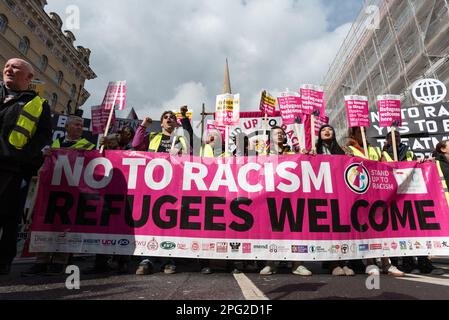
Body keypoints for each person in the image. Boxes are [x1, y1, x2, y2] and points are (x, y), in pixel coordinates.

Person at [21, 116, 96, 276]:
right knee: (46, 225)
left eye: (81, 125)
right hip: (51, 192)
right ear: (67, 127)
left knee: (66, 226)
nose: (79, 128)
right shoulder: (54, 145)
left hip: (72, 193)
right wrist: (46, 155)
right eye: (76, 124)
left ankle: (59, 261)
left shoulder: (88, 146)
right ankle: (41, 261)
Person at [0, 58, 52, 275]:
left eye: (16, 68)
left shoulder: (39, 104)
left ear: (29, 77)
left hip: (11, 169)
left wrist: (22, 159)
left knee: (8, 217)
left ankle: (3, 262)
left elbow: (42, 137)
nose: (8, 69)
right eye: (6, 66)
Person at [132, 106, 192, 275]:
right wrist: (143, 125)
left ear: (176, 122)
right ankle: (147, 259)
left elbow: (190, 144)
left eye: (172, 117)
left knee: (169, 221)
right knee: (150, 221)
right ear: (162, 123)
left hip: (173, 186)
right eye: (165, 117)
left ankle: (168, 259)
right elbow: (136, 145)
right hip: (152, 186)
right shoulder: (153, 136)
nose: (169, 118)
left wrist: (179, 154)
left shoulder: (181, 139)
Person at [346, 128, 404, 277]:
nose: (363, 134)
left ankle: (386, 263)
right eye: (359, 132)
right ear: (353, 135)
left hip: (378, 192)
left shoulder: (377, 150)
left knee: (381, 226)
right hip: (359, 192)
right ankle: (370, 262)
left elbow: (393, 165)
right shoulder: (348, 149)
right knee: (365, 226)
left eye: (364, 132)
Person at [259, 126, 312, 276]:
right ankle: (270, 264)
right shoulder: (263, 154)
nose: (280, 135)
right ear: (270, 136)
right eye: (277, 133)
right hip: (269, 197)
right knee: (271, 230)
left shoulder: (292, 154)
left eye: (282, 133)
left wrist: (306, 156)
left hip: (291, 197)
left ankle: (297, 264)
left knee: (294, 229)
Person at [316, 125, 355, 276]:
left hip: (341, 193)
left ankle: (343, 262)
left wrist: (350, 157)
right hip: (323, 194)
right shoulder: (316, 150)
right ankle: (333, 263)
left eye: (330, 129)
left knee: (342, 226)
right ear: (319, 135)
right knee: (329, 228)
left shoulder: (342, 151)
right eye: (323, 130)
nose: (327, 131)